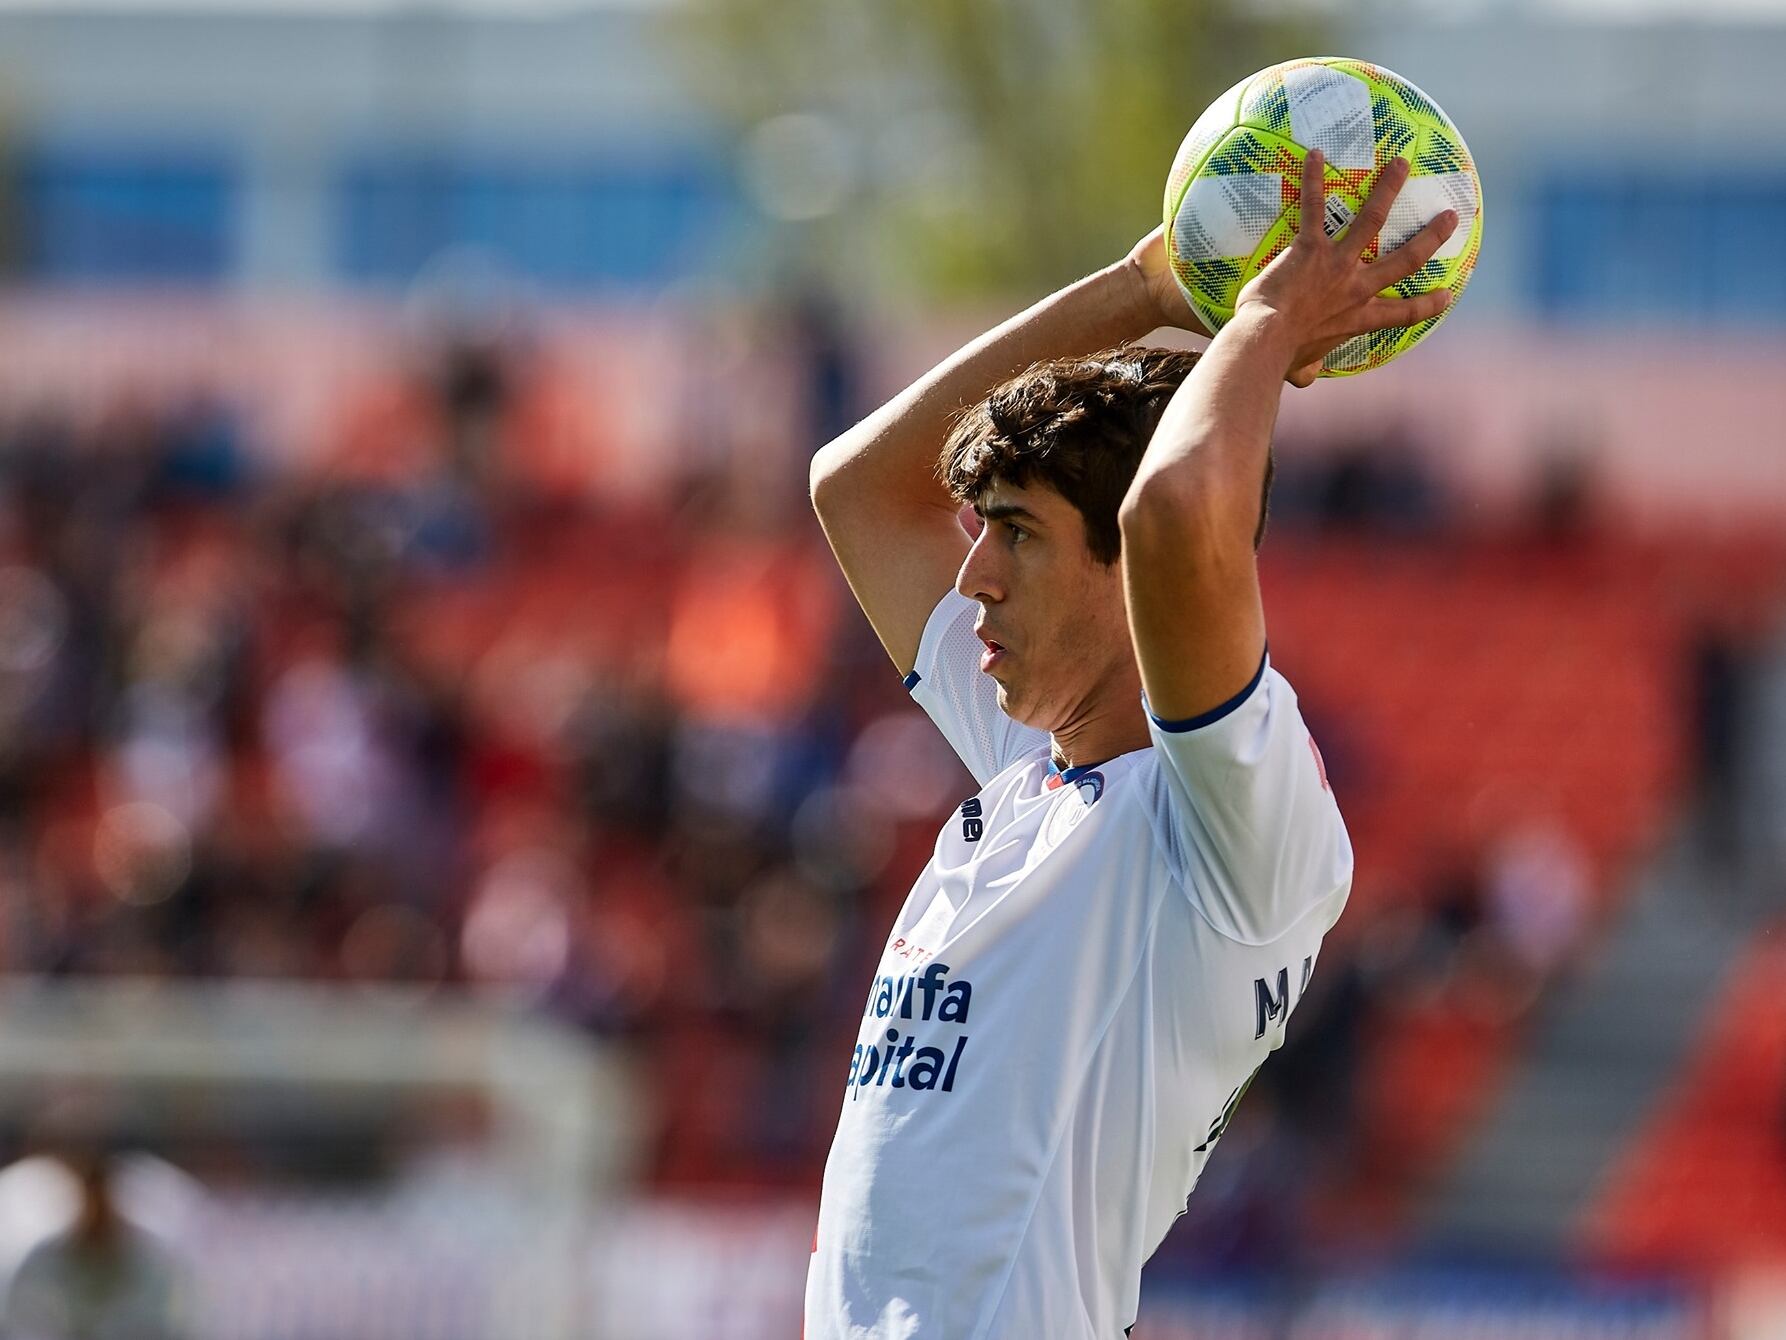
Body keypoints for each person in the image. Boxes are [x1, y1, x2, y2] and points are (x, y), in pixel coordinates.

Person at [802, 152, 1457, 1339]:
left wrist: (1260, 323)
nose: (970, 577)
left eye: (1014, 532)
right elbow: (854, 489)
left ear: (1123, 578)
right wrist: (1150, 284)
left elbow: (1174, 515)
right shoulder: (1028, 765)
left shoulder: (1223, 822)